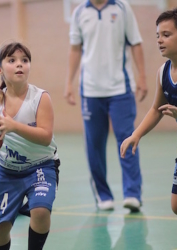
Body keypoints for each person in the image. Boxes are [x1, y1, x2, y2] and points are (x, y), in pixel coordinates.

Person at [64, 0, 148, 212]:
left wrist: (142, 77)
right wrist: (69, 83)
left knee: (128, 139)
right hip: (90, 92)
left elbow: (136, 42)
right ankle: (103, 195)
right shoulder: (79, 13)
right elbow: (75, 49)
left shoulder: (121, 8)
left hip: (121, 89)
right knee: (94, 145)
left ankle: (132, 194)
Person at [0, 42, 60, 250]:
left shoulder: (40, 97)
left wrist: (14, 126)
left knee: (41, 211)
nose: (20, 65)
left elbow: (45, 136)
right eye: (12, 60)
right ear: (0, 69)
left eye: (24, 60)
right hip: (8, 172)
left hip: (41, 166)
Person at [121, 8, 177, 215]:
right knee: (176, 205)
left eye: (167, 35)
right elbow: (156, 109)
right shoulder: (163, 72)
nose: (160, 40)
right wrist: (136, 135)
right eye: (158, 36)